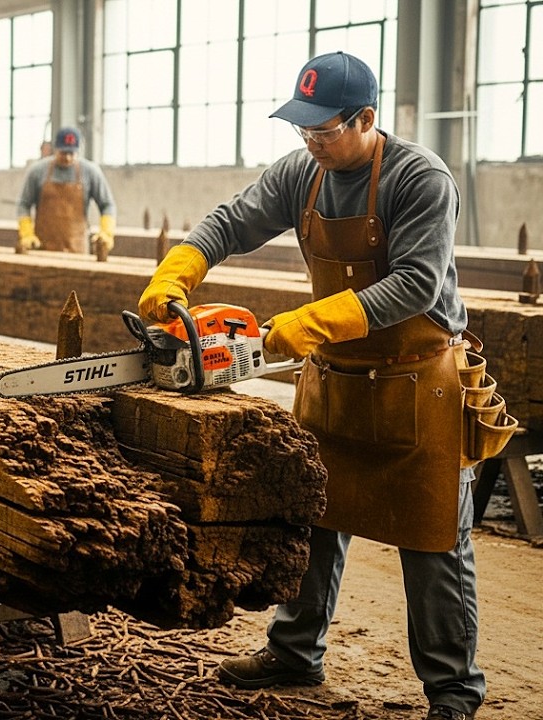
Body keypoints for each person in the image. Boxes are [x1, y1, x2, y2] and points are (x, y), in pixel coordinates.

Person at [137, 51, 514, 720]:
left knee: (433, 544)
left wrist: (309, 322)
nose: (310, 140)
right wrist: (178, 271)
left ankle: (454, 691)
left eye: (324, 129)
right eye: (302, 128)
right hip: (336, 381)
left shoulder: (420, 178)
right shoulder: (301, 173)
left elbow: (416, 284)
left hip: (419, 385)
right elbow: (231, 221)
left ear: (365, 119)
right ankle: (293, 652)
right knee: (312, 519)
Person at [16, 127, 117, 254]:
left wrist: (106, 233)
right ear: (56, 149)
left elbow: (107, 204)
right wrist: (26, 233)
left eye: (72, 153)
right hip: (43, 247)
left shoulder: (90, 172)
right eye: (63, 153)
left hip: (78, 248)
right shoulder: (37, 171)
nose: (68, 158)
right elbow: (23, 204)